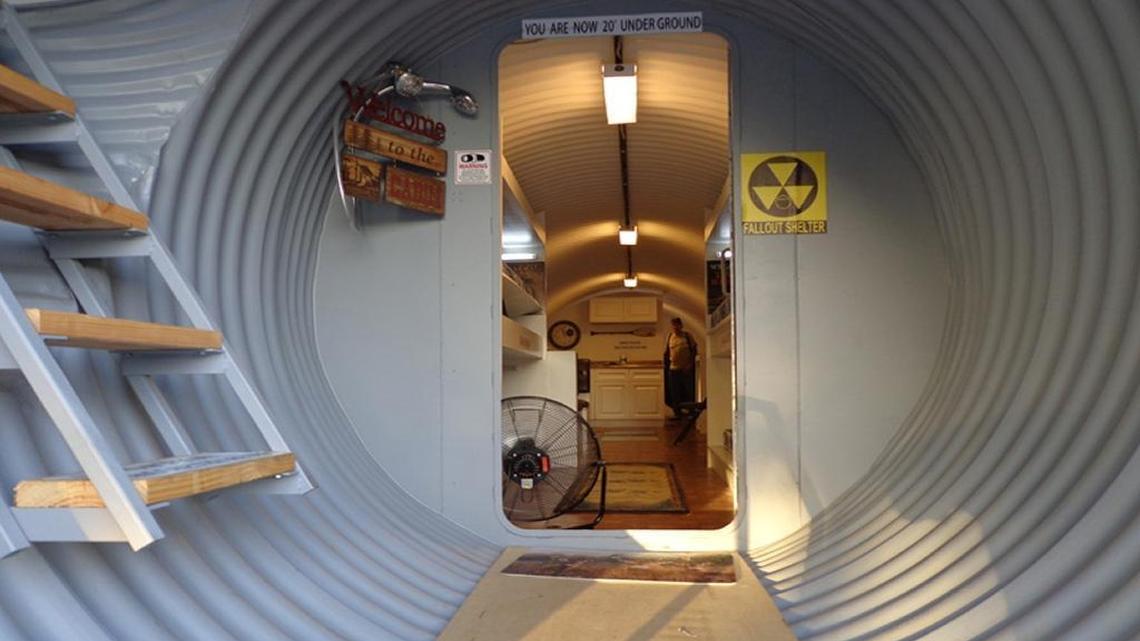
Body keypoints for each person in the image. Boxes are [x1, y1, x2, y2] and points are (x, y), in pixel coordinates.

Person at [663, 317, 697, 419]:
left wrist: (690, 364)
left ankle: (691, 412)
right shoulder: (670, 336)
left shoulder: (687, 336)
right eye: (673, 325)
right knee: (674, 392)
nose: (675, 327)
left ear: (681, 325)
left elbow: (694, 350)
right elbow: (666, 352)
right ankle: (677, 413)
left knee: (688, 390)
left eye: (677, 325)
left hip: (686, 368)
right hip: (673, 368)